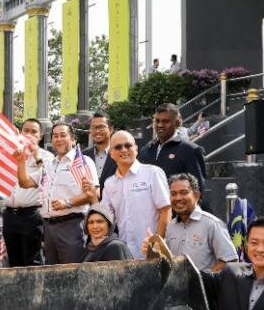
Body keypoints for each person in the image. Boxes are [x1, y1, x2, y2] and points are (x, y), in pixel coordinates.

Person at [15, 122, 97, 265]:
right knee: (52, 276)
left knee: (71, 273)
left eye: (63, 135)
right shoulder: (49, 164)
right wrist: (21, 162)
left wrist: (68, 202)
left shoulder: (83, 161)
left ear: (73, 139)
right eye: (55, 136)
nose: (58, 139)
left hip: (71, 226)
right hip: (48, 228)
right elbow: (25, 182)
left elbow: (93, 193)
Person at [95, 131, 171, 261]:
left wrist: (157, 242)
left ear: (135, 148)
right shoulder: (109, 183)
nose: (124, 150)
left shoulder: (152, 173)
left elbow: (165, 210)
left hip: (152, 252)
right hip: (124, 254)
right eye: (118, 147)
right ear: (111, 153)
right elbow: (106, 217)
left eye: (128, 145)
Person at [158, 173, 236, 271]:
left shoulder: (212, 224)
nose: (178, 198)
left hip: (206, 286)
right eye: (173, 194)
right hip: (177, 286)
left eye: (183, 192)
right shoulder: (171, 227)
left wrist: (203, 279)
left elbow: (230, 260)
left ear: (196, 196)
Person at [3, 119, 52, 267]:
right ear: (20, 132)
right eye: (26, 130)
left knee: (32, 261)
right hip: (10, 214)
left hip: (32, 215)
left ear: (40, 136)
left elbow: (46, 178)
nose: (29, 134)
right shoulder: (9, 153)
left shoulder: (47, 157)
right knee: (14, 261)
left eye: (34, 131)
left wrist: (37, 156)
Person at [140, 103, 207, 196]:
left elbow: (198, 190)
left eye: (165, 121)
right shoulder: (146, 150)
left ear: (177, 123)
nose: (160, 125)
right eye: (157, 121)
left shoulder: (190, 150)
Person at [84, 112, 116, 188]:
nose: (97, 131)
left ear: (111, 129)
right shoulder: (83, 156)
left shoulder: (120, 153)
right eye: (93, 127)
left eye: (101, 127)